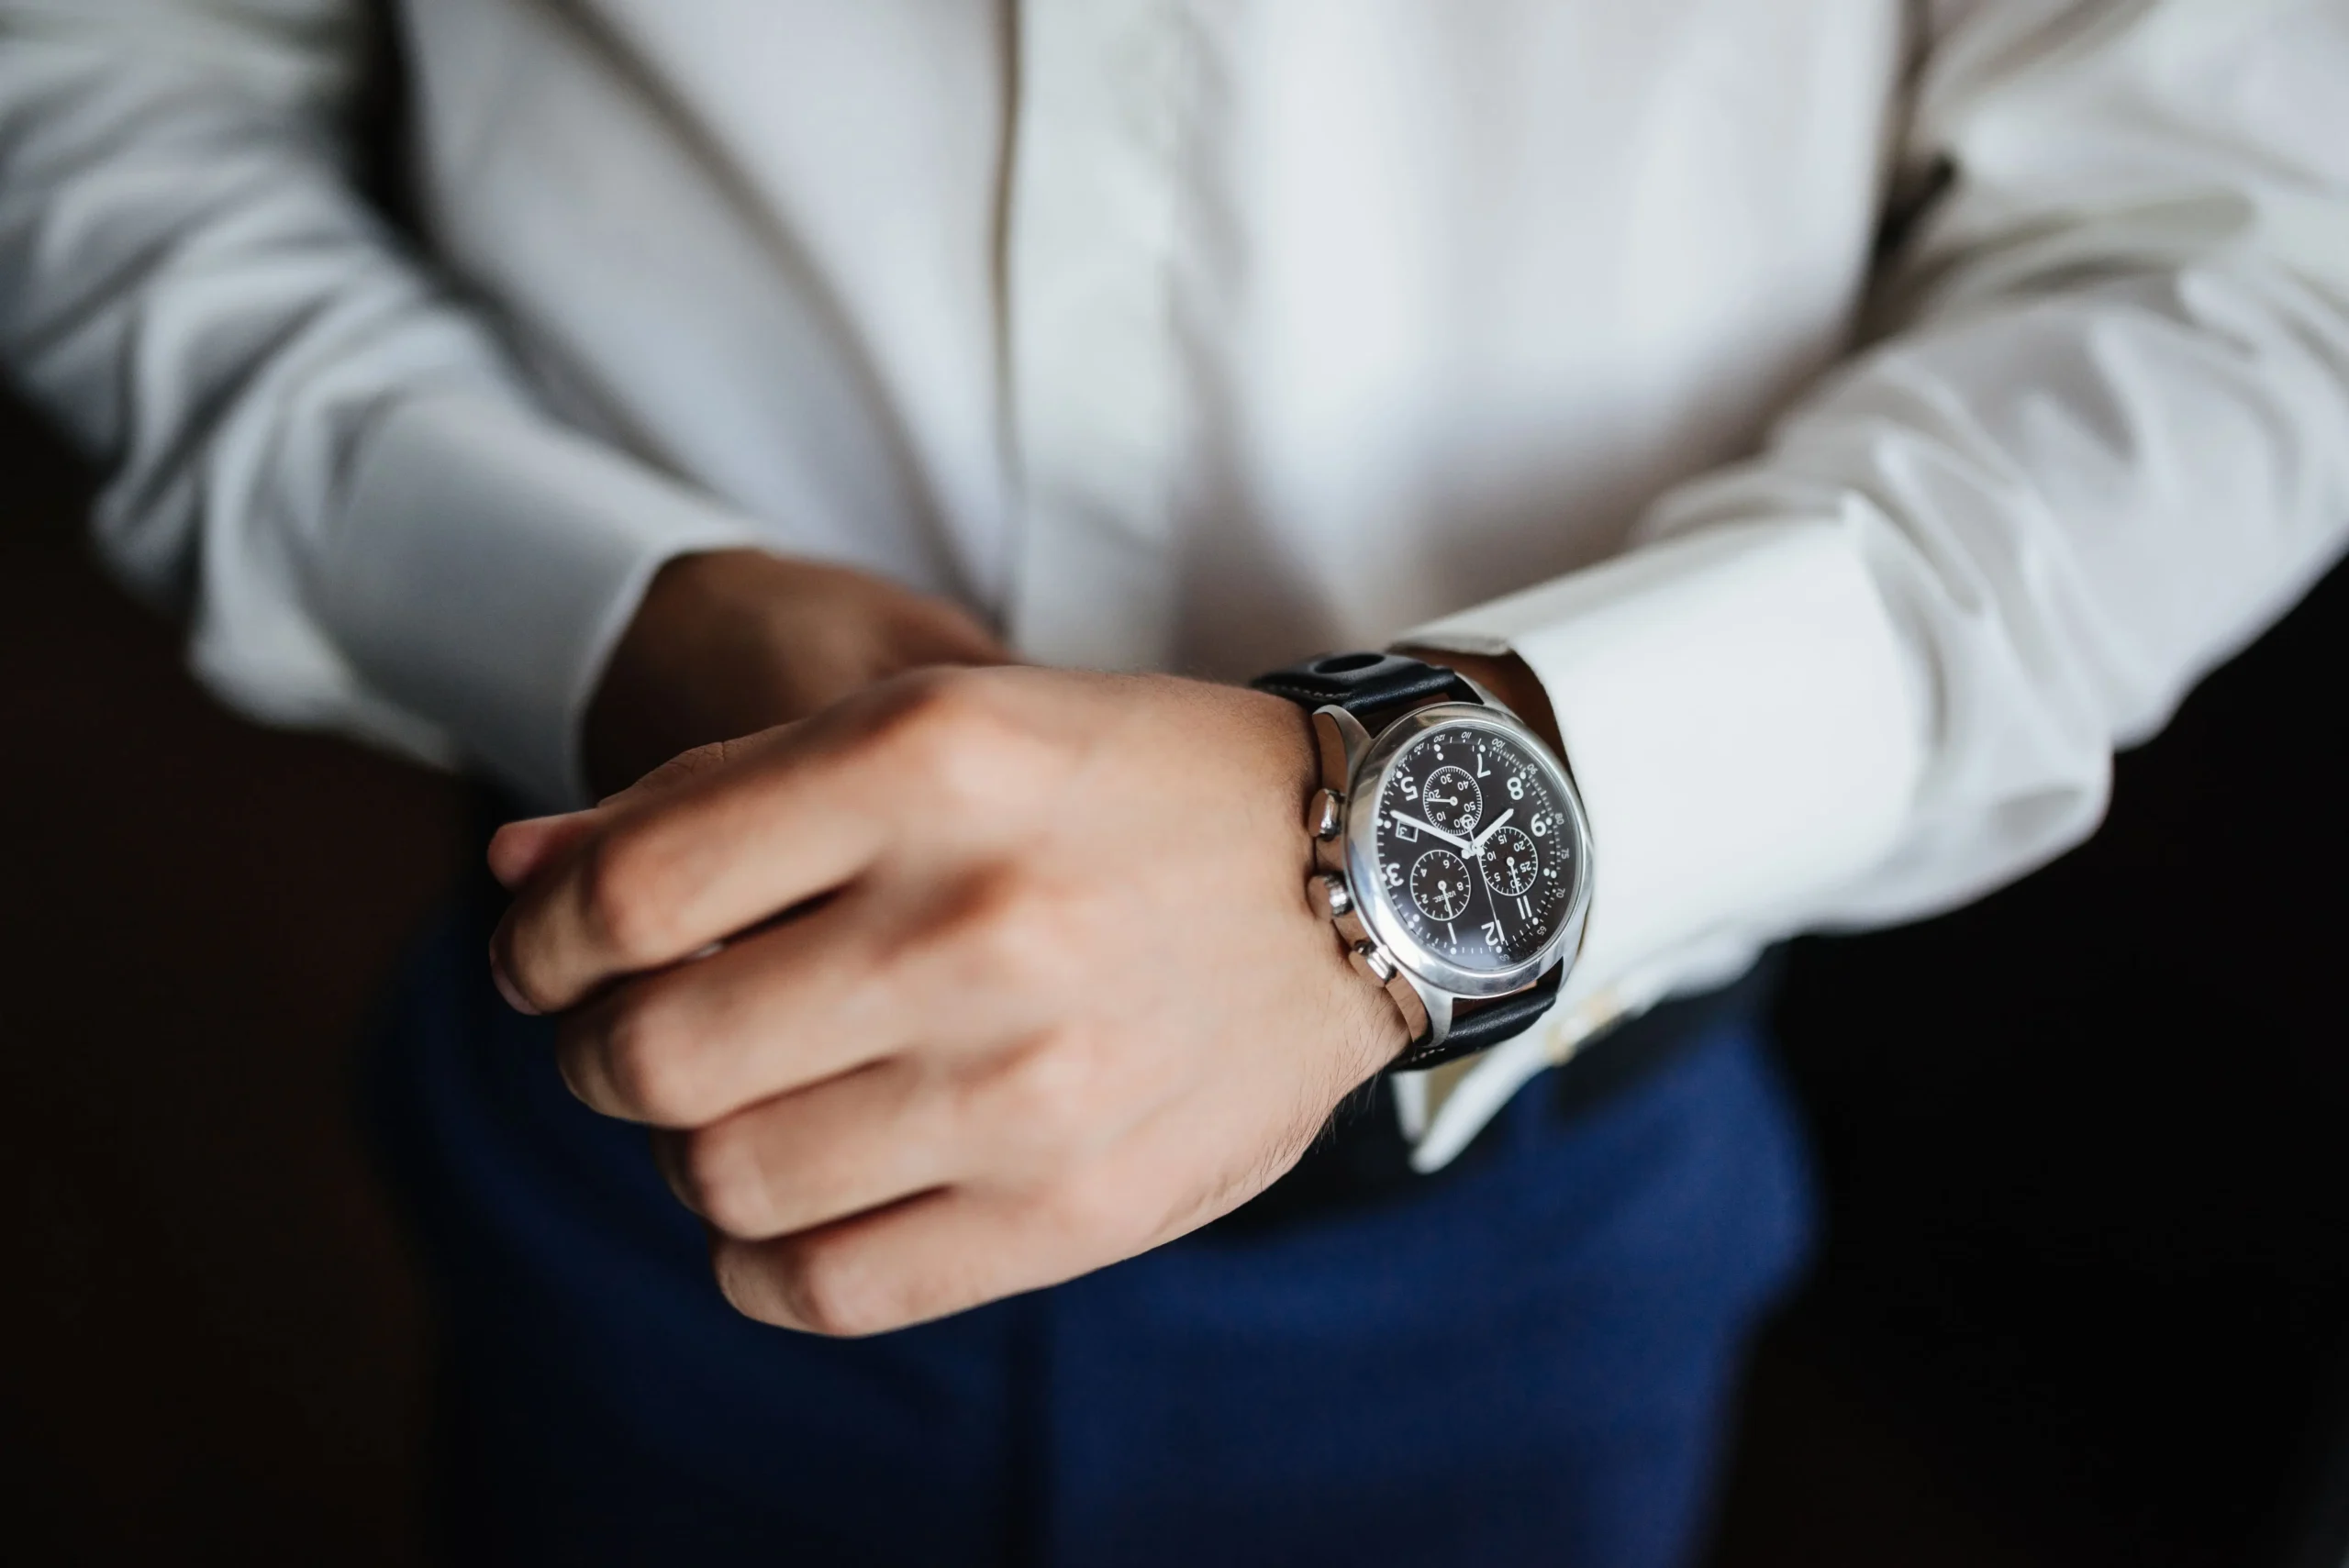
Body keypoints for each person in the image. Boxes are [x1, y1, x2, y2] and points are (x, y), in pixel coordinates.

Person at [4, 2, 2345, 1562]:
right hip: (653, 1074)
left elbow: (2245, 262)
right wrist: (601, 613)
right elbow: (102, 76)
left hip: (1534, 1217)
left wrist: (1441, 811)